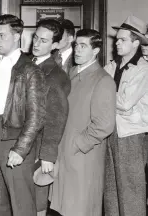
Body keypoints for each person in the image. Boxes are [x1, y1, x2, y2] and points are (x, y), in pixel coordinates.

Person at [0, 14, 46, 216]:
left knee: (21, 201)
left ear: (17, 37)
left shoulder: (29, 69)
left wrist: (21, 149)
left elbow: (37, 115)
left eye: (2, 36)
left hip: (15, 137)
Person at [50, 29, 116, 216]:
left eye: (83, 46)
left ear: (96, 51)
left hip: (83, 158)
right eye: (76, 45)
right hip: (63, 155)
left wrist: (76, 144)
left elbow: (104, 125)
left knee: (80, 208)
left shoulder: (103, 80)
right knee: (62, 208)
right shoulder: (72, 72)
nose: (77, 50)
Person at [104, 15, 148, 216]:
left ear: (136, 43)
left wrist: (106, 96)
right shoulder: (112, 66)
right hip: (110, 132)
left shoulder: (143, 70)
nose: (117, 43)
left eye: (123, 40)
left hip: (131, 135)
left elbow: (126, 103)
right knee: (111, 189)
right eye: (117, 39)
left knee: (131, 191)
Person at [31, 19, 71, 215]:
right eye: (35, 38)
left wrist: (47, 154)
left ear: (55, 45)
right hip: (21, 143)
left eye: (43, 41)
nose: (36, 44)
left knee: (37, 202)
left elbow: (56, 117)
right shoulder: (25, 65)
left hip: (38, 146)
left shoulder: (56, 76)